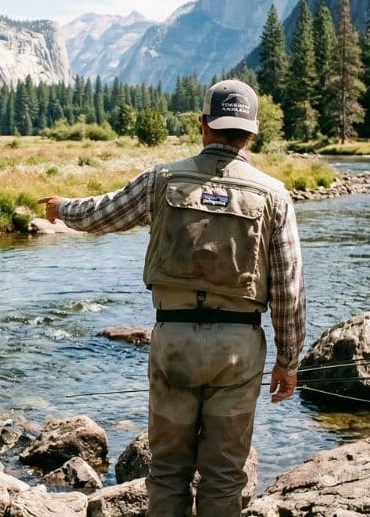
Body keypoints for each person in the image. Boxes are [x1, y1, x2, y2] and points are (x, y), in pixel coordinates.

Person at [38, 79, 306, 516]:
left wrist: (61, 207)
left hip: (173, 342)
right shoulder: (274, 194)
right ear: (251, 134)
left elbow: (101, 214)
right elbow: (289, 289)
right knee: (225, 474)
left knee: (167, 471)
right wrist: (288, 361)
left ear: (204, 125)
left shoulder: (161, 179)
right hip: (238, 350)